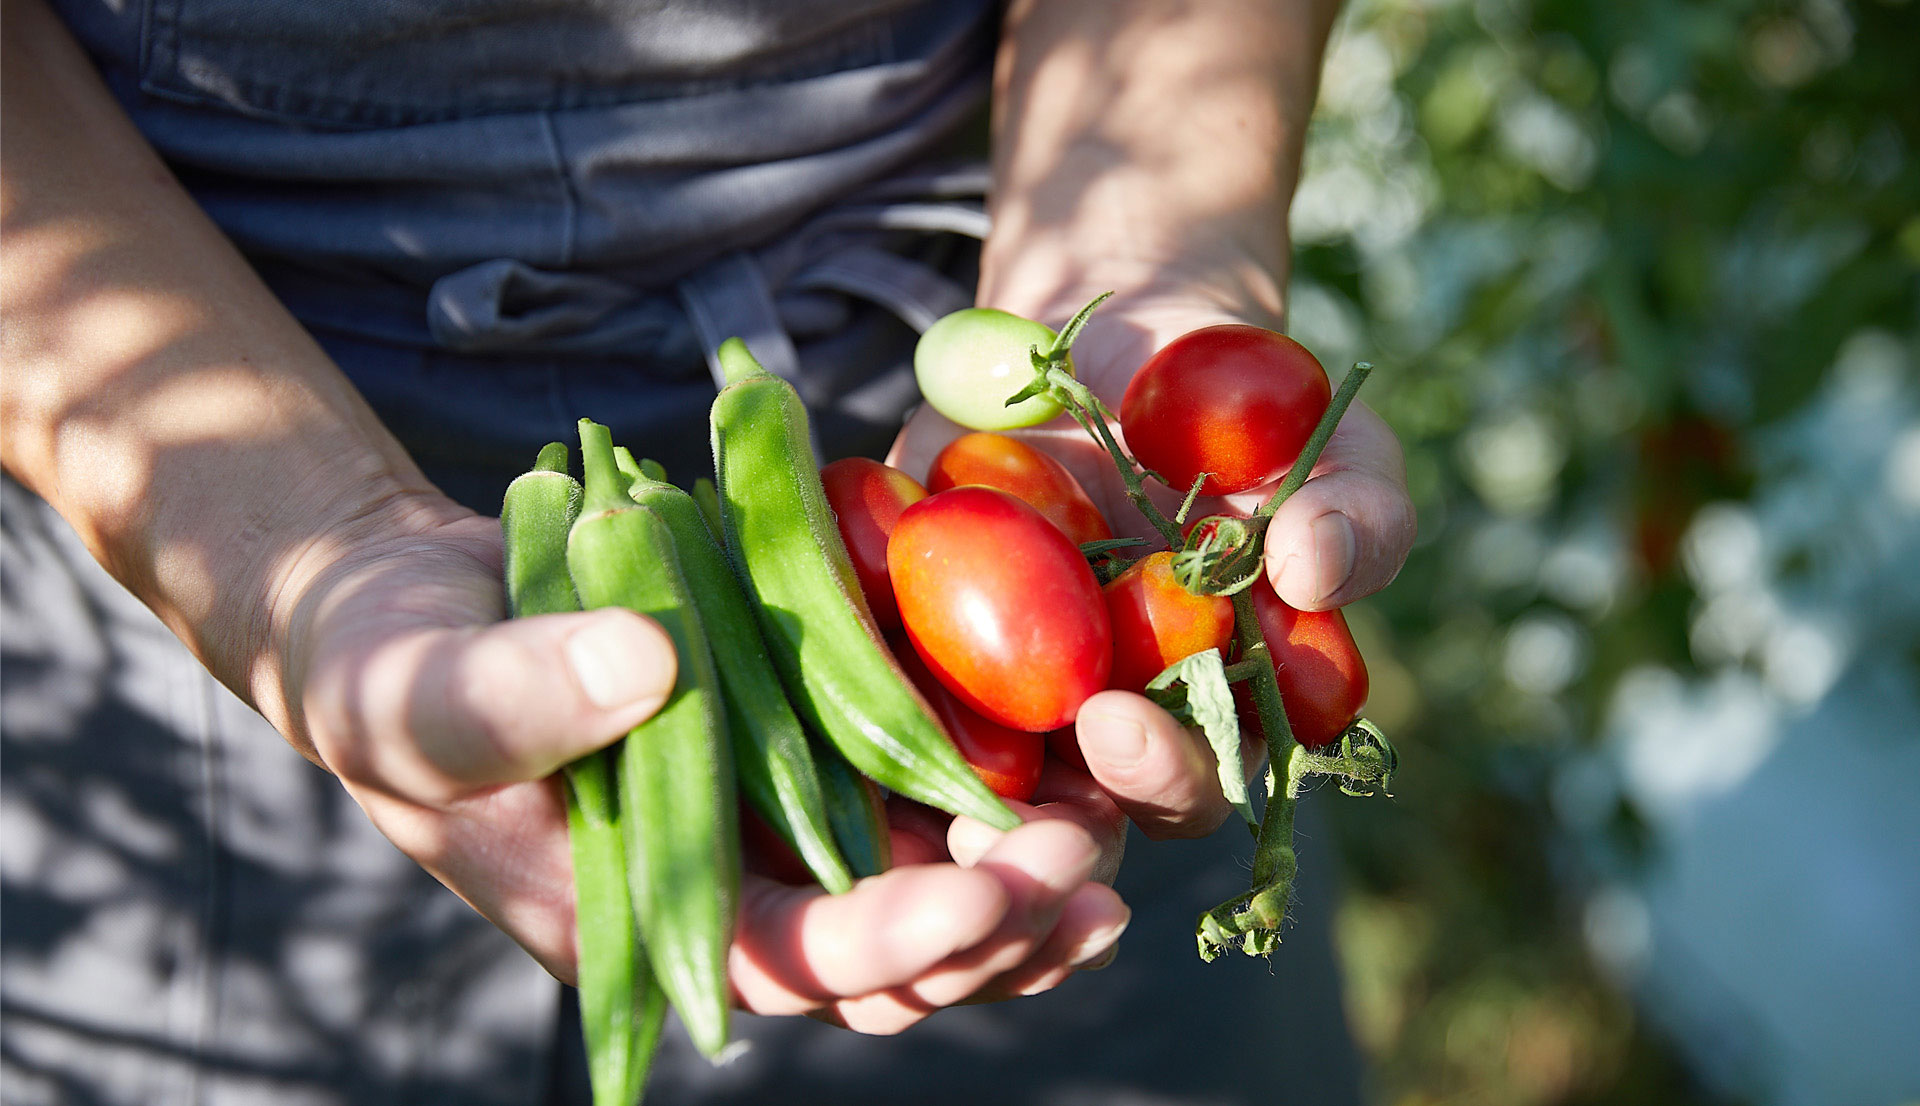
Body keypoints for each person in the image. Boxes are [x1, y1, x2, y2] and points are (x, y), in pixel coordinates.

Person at [1, 0, 1416, 1102]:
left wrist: (1146, 270)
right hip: (176, 506)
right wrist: (289, 553)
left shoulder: (1058, 517)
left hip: (1006, 486)